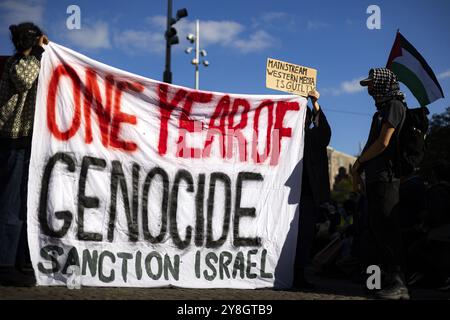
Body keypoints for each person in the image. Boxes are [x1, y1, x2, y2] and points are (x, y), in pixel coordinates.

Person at [352, 68, 408, 299]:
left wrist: (358, 163)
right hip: (375, 179)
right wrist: (358, 171)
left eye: (373, 85)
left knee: (388, 232)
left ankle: (399, 284)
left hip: (387, 179)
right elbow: (370, 145)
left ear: (384, 84)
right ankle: (376, 282)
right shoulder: (380, 112)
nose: (370, 90)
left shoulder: (395, 106)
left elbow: (383, 143)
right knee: (374, 233)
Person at [0, 22, 49, 286]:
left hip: (29, 141)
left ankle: (20, 260)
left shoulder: (34, 62)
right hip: (13, 140)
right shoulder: (18, 63)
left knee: (25, 204)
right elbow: (25, 80)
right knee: (11, 203)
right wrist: (40, 53)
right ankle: (5, 262)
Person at [293, 89, 331, 289]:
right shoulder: (286, 137)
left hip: (306, 195)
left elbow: (324, 132)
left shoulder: (312, 137)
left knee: (303, 236)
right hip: (287, 196)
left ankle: (297, 274)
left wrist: (315, 103)